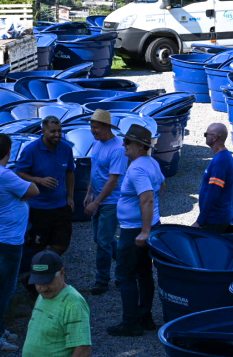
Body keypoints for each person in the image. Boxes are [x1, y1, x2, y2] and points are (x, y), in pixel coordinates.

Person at [0, 134, 39, 352]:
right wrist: (19, 196)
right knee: (3, 290)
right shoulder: (4, 175)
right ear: (8, 151)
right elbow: (34, 190)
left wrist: (15, 197)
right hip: (8, 240)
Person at [109, 124, 164, 337]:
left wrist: (145, 231)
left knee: (125, 275)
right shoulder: (152, 162)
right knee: (144, 272)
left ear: (140, 146)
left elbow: (147, 198)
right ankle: (145, 316)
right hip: (145, 226)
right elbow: (161, 187)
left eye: (128, 142)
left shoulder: (138, 167)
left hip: (135, 230)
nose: (124, 144)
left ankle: (130, 322)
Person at [14, 115, 76, 256]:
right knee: (37, 247)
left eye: (59, 131)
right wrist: (38, 180)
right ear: (43, 131)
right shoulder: (31, 150)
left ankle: (47, 265)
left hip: (60, 205)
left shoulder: (66, 149)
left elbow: (70, 172)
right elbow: (19, 173)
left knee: (61, 245)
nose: (57, 135)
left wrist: (70, 196)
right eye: (53, 131)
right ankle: (40, 273)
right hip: (38, 207)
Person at [83, 110, 128, 296]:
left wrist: (96, 202)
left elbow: (113, 180)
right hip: (98, 198)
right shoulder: (97, 143)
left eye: (97, 127)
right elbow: (95, 170)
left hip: (112, 201)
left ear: (107, 127)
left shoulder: (117, 148)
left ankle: (102, 280)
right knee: (102, 240)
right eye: (92, 127)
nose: (93, 131)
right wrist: (89, 193)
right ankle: (125, 266)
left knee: (103, 242)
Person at [22, 250, 92, 357]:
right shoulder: (42, 295)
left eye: (47, 281)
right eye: (38, 281)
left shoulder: (73, 303)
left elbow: (83, 350)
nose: (42, 288)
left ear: (62, 273)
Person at [193, 123, 233, 233]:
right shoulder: (223, 157)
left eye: (206, 134)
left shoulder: (220, 161)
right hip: (216, 217)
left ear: (214, 137)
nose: (205, 136)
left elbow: (213, 193)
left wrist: (200, 221)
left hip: (214, 220)